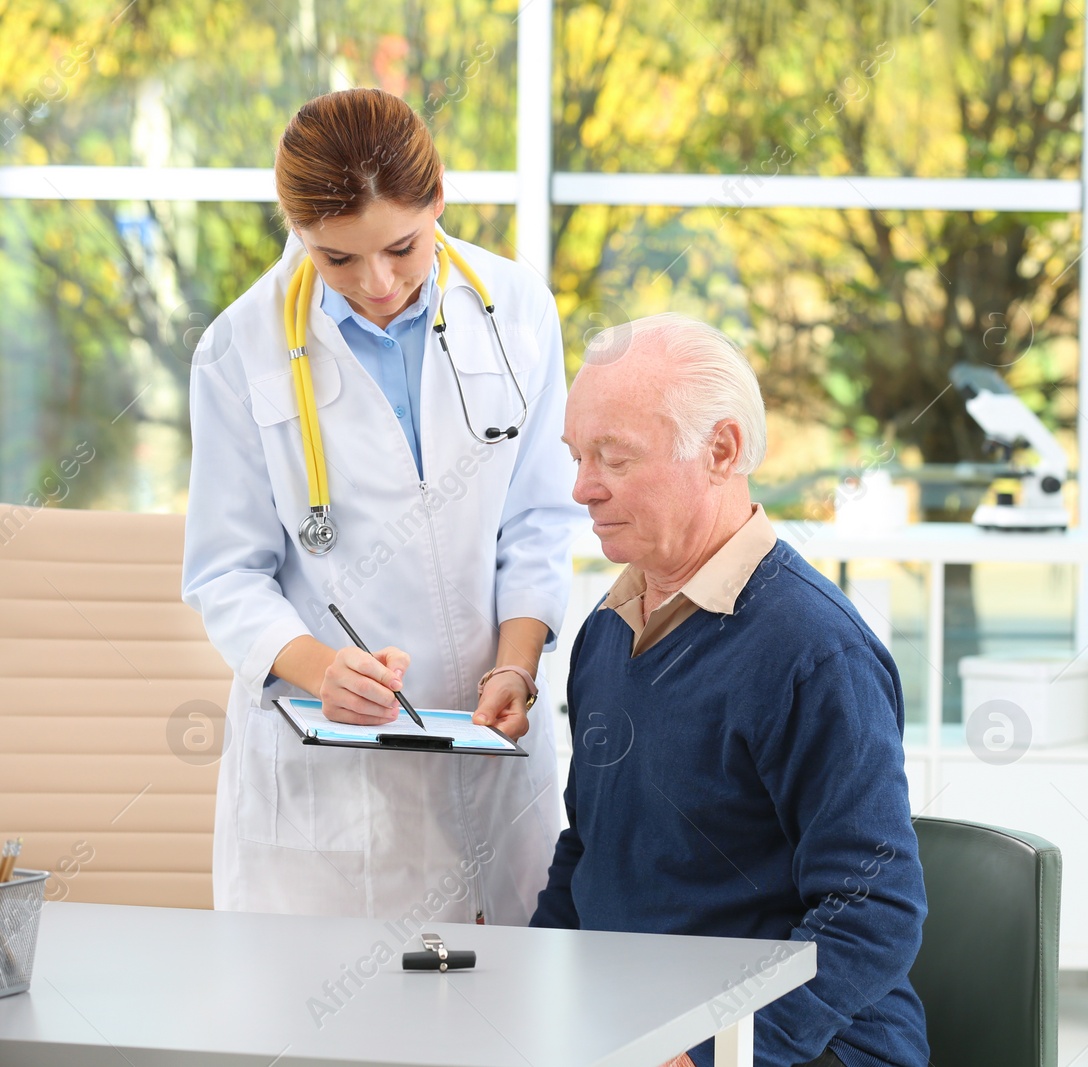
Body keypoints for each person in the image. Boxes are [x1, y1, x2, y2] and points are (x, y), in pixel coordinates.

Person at [182, 88, 583, 922]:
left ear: (438, 197)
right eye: (337, 259)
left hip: (492, 734)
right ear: (297, 231)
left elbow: (541, 519)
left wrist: (516, 664)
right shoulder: (237, 349)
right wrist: (321, 668)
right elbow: (225, 573)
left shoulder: (518, 311)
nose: (377, 282)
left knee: (510, 1023)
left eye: (402, 246)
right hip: (331, 775)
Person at [533, 313, 930, 1067]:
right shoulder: (607, 632)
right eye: (577, 455)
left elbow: (875, 910)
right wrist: (523, 991)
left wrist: (709, 1053)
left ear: (722, 450)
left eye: (612, 456)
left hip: (802, 1049)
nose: (582, 487)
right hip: (637, 1031)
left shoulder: (815, 652)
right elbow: (589, 850)